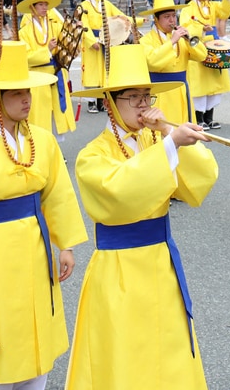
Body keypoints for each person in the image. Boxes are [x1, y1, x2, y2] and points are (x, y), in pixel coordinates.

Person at [65, 43, 216, 389]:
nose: (143, 105)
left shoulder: (154, 139)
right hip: (119, 270)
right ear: (108, 102)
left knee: (169, 355)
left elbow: (199, 186)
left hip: (162, 264)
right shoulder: (92, 155)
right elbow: (121, 193)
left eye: (146, 96)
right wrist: (169, 145)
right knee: (124, 361)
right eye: (132, 97)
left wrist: (168, 134)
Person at [0, 40, 88, 390]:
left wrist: (65, 244)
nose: (27, 99)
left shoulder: (43, 140)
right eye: (17, 93)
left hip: (36, 251)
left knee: (36, 327)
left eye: (28, 92)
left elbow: (57, 194)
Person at [17, 0, 78, 141]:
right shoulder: (24, 31)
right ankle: (39, 147)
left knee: (57, 114)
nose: (45, 8)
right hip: (37, 77)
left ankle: (56, 150)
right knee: (39, 115)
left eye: (46, 4)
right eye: (40, 5)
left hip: (56, 73)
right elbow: (24, 57)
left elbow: (66, 45)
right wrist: (47, 51)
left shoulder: (55, 25)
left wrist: (73, 48)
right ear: (32, 7)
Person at [140, 0, 206, 127]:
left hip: (181, 92)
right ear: (156, 19)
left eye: (173, 16)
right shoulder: (146, 40)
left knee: (184, 132)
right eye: (166, 17)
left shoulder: (181, 39)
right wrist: (172, 42)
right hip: (160, 94)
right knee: (161, 132)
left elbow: (202, 56)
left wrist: (189, 40)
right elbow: (152, 62)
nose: (172, 20)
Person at [179, 0, 230, 130]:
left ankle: (210, 117)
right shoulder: (189, 8)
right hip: (198, 47)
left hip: (213, 46)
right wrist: (201, 28)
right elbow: (185, 25)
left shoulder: (212, 5)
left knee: (214, 83)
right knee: (199, 84)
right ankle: (199, 117)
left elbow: (224, 12)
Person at [78, 0, 125, 114]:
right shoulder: (84, 6)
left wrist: (136, 21)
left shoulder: (105, 4)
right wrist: (92, 41)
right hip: (92, 39)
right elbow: (83, 25)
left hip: (105, 39)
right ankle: (91, 101)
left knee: (104, 70)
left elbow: (119, 15)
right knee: (92, 71)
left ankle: (101, 100)